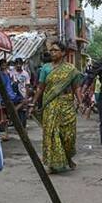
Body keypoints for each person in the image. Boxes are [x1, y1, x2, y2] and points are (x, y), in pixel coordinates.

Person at [30, 42, 83, 173]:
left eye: (55, 50)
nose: (52, 52)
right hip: (51, 104)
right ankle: (52, 164)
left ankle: (68, 157)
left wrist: (81, 102)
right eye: (51, 50)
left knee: (68, 135)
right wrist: (33, 103)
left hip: (66, 104)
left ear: (63, 52)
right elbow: (40, 87)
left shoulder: (71, 70)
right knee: (52, 133)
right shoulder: (45, 69)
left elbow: (76, 88)